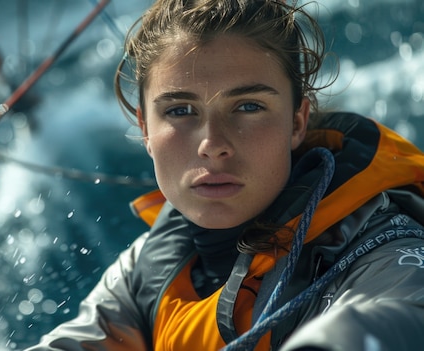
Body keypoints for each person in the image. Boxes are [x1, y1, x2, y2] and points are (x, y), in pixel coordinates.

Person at [25, 0, 424, 350]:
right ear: (146, 130)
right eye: (180, 111)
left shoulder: (383, 250)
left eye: (248, 107)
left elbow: (397, 316)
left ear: (297, 122)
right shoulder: (146, 273)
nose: (213, 144)